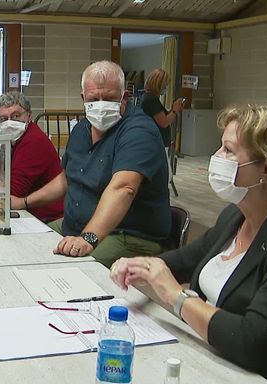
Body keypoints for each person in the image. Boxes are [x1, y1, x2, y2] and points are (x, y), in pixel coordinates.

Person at [110, 103, 267, 384]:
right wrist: (139, 265)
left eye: (227, 150)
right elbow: (183, 261)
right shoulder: (235, 216)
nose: (216, 158)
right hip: (214, 365)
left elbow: (254, 340)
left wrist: (176, 297)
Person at [11, 60, 171, 268]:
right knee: (26, 248)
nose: (101, 105)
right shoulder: (82, 129)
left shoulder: (139, 131)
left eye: (110, 98)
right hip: (74, 226)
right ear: (83, 99)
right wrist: (24, 202)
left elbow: (124, 187)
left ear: (124, 98)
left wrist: (89, 238)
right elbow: (67, 178)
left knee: (71, 269)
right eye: (94, 99)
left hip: (126, 235)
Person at [0, 92, 64, 222]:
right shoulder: (9, 140)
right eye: (3, 119)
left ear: (29, 115)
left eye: (16, 116)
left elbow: (14, 191)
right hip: (26, 212)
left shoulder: (33, 141)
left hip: (46, 217)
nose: (10, 123)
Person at [140, 68, 184, 148]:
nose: (165, 88)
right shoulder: (151, 99)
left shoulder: (146, 97)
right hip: (154, 143)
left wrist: (172, 110)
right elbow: (164, 122)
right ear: (158, 84)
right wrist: (174, 110)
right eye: (164, 85)